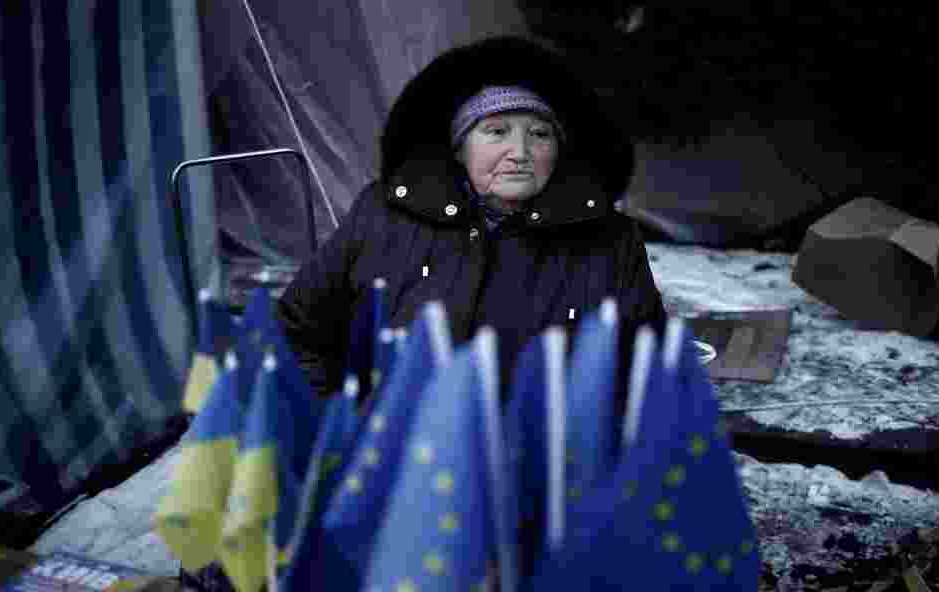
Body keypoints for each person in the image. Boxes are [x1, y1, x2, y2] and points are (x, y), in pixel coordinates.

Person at [278, 35, 666, 398]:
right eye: (496, 131)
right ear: (460, 149)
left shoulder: (609, 239)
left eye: (539, 134)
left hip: (543, 461)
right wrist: (335, 425)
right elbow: (298, 334)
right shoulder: (382, 215)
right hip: (391, 455)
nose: (520, 151)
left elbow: (647, 370)